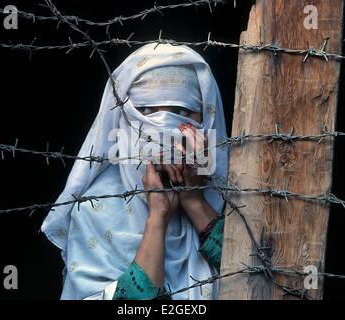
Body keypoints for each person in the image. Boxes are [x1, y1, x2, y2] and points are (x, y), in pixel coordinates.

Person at [40, 43, 229, 300]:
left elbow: (259, 279)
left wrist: (194, 200)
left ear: (206, 120)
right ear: (123, 118)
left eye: (181, 112)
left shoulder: (230, 196)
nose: (162, 124)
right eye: (147, 111)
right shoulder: (95, 208)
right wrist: (157, 219)